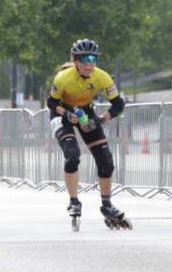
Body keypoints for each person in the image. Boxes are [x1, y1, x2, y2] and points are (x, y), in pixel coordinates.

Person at [47, 38, 130, 228]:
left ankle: (107, 205)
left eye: (93, 59)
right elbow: (51, 103)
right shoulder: (63, 78)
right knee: (72, 154)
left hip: (85, 112)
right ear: (76, 61)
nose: (90, 63)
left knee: (106, 160)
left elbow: (118, 104)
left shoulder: (102, 77)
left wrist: (101, 119)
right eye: (85, 59)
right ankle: (74, 201)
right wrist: (67, 114)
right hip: (61, 113)